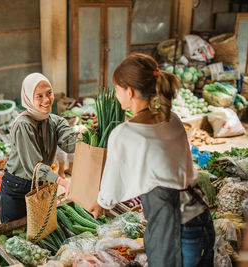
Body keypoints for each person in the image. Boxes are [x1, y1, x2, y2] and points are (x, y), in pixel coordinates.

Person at [89, 54, 215, 267]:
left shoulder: (125, 133)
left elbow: (111, 185)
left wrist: (101, 204)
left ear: (129, 91)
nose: (117, 93)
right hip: (200, 219)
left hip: (174, 232)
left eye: (118, 88)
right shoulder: (172, 119)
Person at [0, 73, 77, 223]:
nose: (47, 100)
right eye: (39, 96)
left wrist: (86, 137)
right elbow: (34, 167)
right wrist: (63, 182)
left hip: (41, 184)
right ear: (28, 98)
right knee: (15, 234)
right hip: (18, 187)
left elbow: (69, 144)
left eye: (49, 93)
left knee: (40, 230)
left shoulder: (55, 120)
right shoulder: (24, 125)